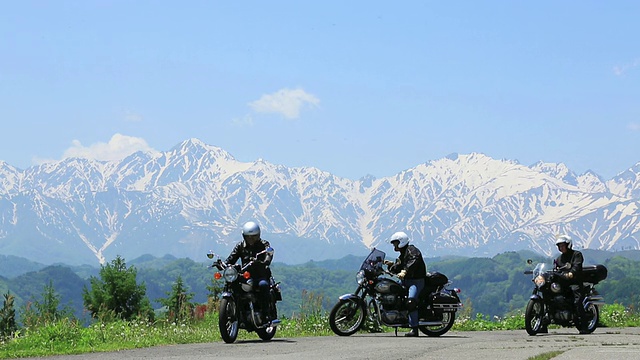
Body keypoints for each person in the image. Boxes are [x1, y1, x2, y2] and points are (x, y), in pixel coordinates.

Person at [225, 221, 275, 319]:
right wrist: (223, 264)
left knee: (263, 285)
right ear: (244, 236)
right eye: (248, 236)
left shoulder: (264, 244)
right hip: (245, 275)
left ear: (258, 235)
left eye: (253, 236)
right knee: (233, 284)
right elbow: (231, 258)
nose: (250, 239)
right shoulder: (240, 246)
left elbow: (268, 254)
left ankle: (265, 314)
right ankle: (237, 310)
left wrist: (264, 262)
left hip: (260, 275)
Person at [384, 231, 427, 337]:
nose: (394, 245)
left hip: (416, 281)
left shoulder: (412, 250)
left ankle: (414, 328)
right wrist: (391, 265)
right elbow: (400, 265)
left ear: (401, 242)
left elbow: (413, 261)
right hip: (406, 281)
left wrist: (405, 271)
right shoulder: (403, 254)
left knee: (411, 301)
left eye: (395, 243)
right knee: (392, 289)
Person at [554, 234, 587, 332]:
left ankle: (584, 326)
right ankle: (543, 324)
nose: (561, 247)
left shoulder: (576, 255)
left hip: (575, 283)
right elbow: (556, 268)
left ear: (568, 245)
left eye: (563, 245)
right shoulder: (559, 259)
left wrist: (571, 273)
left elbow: (577, 266)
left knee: (577, 302)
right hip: (563, 283)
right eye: (559, 246)